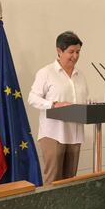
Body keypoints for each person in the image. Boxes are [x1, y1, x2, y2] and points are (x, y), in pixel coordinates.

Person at [28, 31, 88, 184]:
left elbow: (83, 100)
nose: (75, 56)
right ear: (59, 51)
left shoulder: (80, 75)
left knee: (70, 180)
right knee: (53, 180)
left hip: (74, 134)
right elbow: (32, 98)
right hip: (53, 134)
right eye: (71, 52)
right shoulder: (46, 72)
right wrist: (53, 104)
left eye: (78, 52)